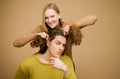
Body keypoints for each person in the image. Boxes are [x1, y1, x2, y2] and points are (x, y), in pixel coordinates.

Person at [13, 3, 97, 58]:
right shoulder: (41, 29)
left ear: (59, 15)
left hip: (66, 67)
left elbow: (93, 18)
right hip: (47, 68)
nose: (49, 20)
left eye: (52, 16)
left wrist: (70, 26)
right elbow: (16, 43)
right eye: (46, 18)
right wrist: (36, 35)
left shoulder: (66, 26)